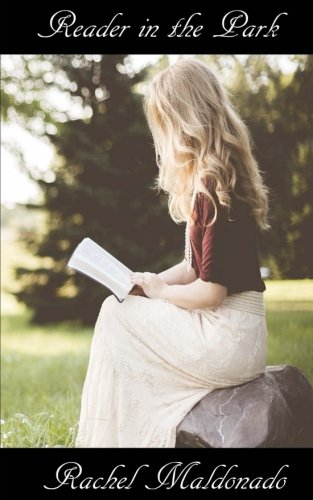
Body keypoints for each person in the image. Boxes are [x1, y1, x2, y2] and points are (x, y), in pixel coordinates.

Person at [76, 58, 269, 448]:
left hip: (226, 337)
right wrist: (148, 282)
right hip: (239, 335)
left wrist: (161, 295)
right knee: (121, 305)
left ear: (184, 120)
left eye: (164, 123)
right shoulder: (219, 177)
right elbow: (191, 267)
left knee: (114, 314)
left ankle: (114, 440)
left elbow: (210, 293)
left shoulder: (211, 187)